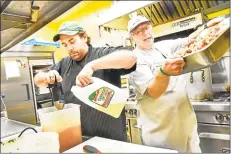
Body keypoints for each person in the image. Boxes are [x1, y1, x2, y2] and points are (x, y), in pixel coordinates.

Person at [126, 15, 224, 152]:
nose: (145, 33)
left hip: (186, 125)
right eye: (138, 31)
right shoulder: (133, 60)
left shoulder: (163, 46)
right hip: (161, 132)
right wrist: (163, 72)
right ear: (132, 36)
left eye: (146, 27)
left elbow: (190, 40)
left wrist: (206, 27)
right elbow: (154, 91)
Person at [34, 21, 137, 141]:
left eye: (72, 41)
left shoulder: (101, 54)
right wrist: (47, 76)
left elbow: (131, 57)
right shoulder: (64, 64)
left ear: (84, 37)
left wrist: (92, 66)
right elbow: (37, 80)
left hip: (111, 139)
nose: (69, 48)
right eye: (65, 44)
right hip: (79, 139)